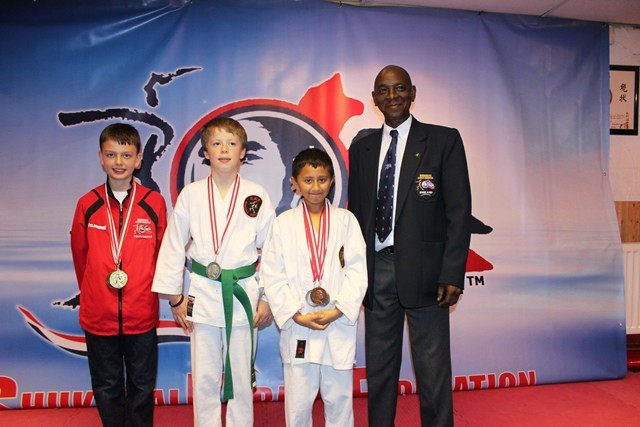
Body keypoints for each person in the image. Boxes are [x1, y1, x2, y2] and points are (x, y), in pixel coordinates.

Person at [348, 65, 472, 427]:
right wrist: (356, 274)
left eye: (399, 88)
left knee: (433, 374)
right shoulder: (362, 148)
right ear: (374, 99)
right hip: (377, 272)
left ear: (413, 92)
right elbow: (356, 216)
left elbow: (459, 212)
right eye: (384, 91)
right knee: (380, 372)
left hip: (428, 274)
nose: (392, 96)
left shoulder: (443, 141)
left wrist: (452, 273)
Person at [151, 117, 275, 427]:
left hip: (243, 293)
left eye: (232, 144)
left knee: (241, 373)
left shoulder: (256, 194)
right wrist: (176, 297)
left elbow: (273, 250)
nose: (224, 149)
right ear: (205, 152)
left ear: (243, 152)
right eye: (217, 143)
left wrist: (267, 297)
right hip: (201, 292)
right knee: (204, 375)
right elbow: (174, 243)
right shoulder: (191, 194)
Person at [261, 148, 367, 427]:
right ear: (294, 183)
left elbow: (358, 271)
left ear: (332, 181)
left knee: (340, 399)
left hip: (337, 322)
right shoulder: (283, 224)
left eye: (322, 179)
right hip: (299, 323)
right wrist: (295, 313)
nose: (315, 187)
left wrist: (339, 309)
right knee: (298, 403)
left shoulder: (346, 221)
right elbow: (273, 274)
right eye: (308, 180)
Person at [70, 123, 168, 427]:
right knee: (106, 386)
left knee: (142, 386)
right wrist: (94, 293)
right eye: (111, 154)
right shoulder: (87, 204)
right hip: (99, 315)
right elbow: (80, 257)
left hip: (141, 313)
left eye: (126, 155)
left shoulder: (154, 203)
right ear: (101, 157)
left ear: (138, 159)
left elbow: (162, 256)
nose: (118, 162)